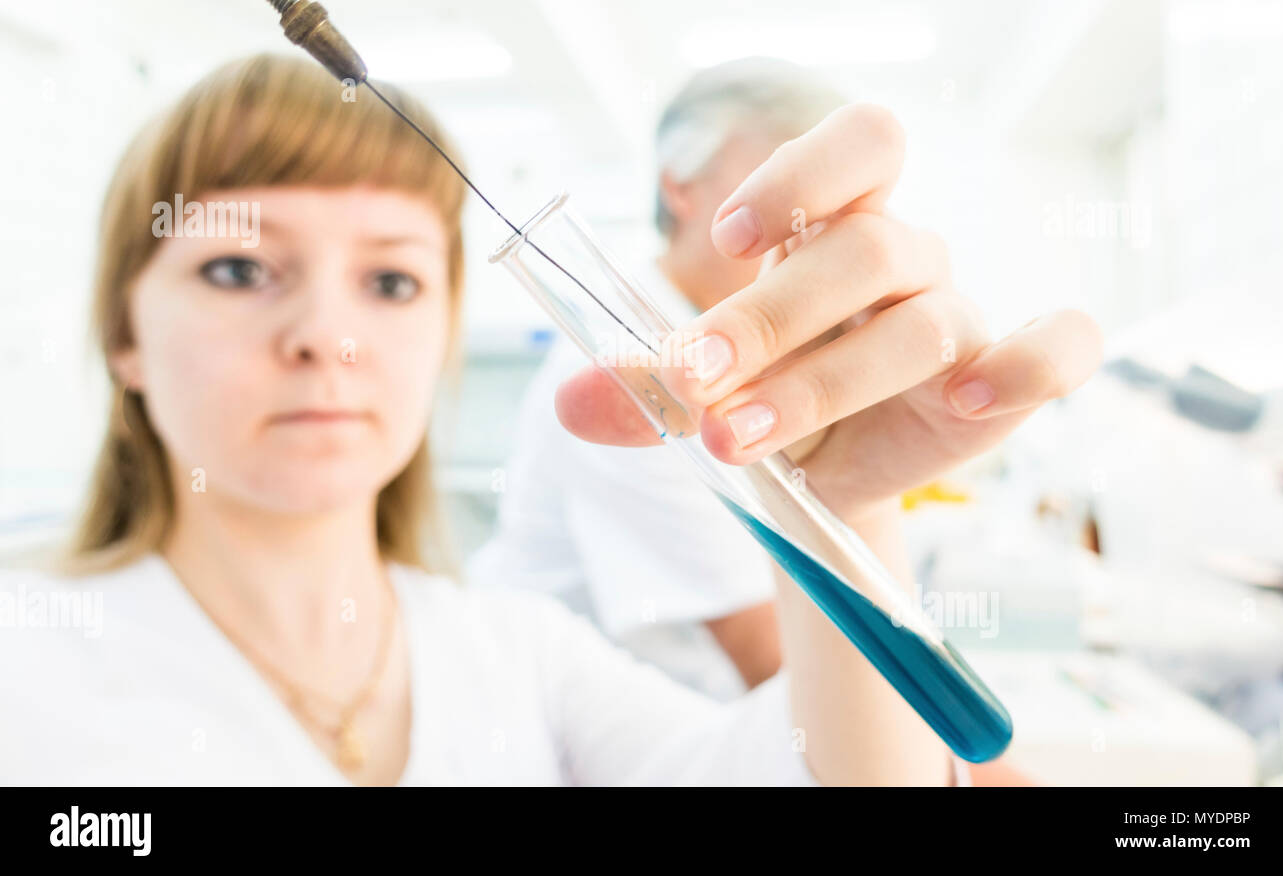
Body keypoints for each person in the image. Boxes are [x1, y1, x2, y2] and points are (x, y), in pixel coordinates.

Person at [0, 52, 1102, 786]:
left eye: (389, 283)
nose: (326, 338)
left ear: (439, 335)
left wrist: (841, 508)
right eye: (240, 267)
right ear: (122, 336)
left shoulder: (515, 655)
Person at [469, 59, 848, 699]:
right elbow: (769, 657)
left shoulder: (726, 345)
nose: (810, 220)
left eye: (828, 195)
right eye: (777, 186)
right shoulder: (632, 371)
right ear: (680, 186)